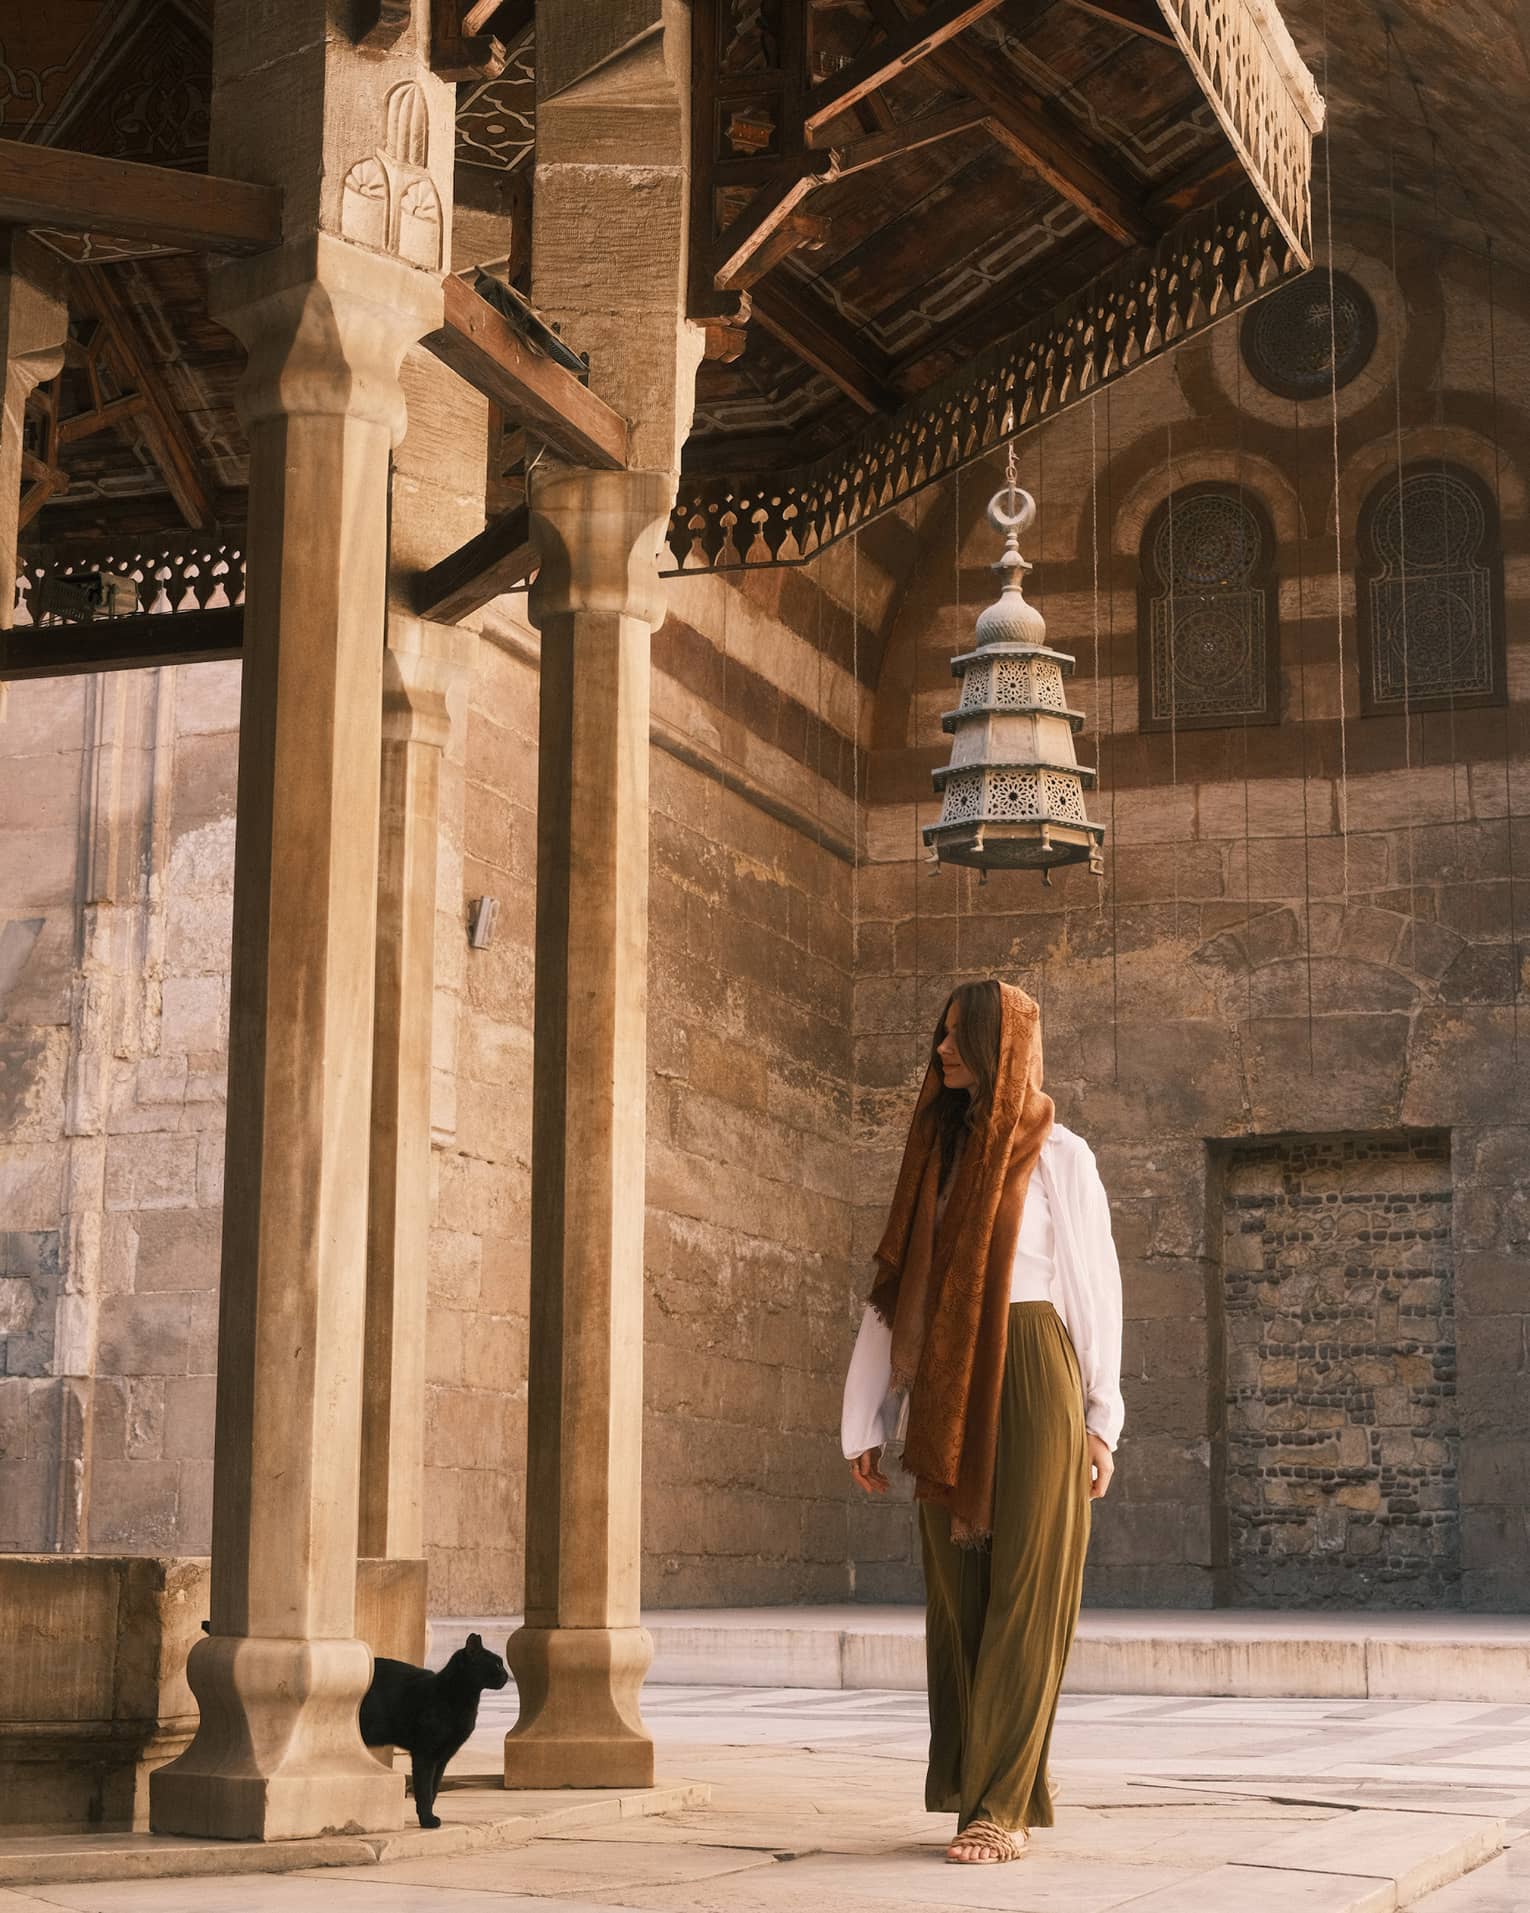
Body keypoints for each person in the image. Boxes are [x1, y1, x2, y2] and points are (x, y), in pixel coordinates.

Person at [842, 978, 1124, 1866]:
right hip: (950, 1384)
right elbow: (898, 1293)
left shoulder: (1062, 1155)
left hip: (1038, 1367)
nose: (941, 1050)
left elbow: (1096, 1290)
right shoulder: (935, 1154)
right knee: (957, 1592)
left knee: (1027, 1588)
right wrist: (866, 1414)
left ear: (1004, 1043)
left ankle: (1000, 1807)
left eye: (959, 1034)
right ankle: (983, 1782)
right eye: (939, 1035)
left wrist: (1101, 1418)